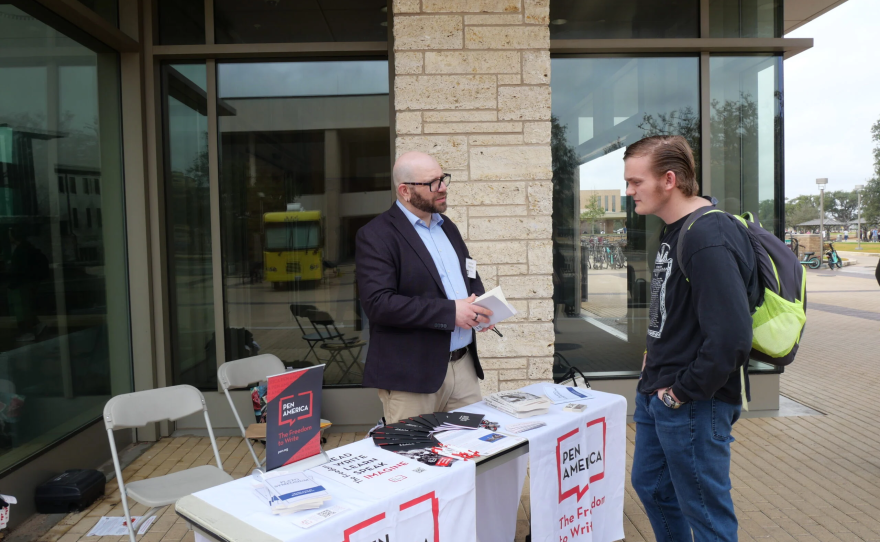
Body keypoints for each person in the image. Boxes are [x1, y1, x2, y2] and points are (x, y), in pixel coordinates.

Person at [625, 135, 758, 542]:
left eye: (635, 182)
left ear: (669, 179)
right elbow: (679, 311)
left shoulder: (707, 235)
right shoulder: (675, 228)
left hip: (692, 403)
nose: (628, 192)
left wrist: (680, 393)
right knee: (652, 486)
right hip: (659, 392)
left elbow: (732, 337)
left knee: (706, 513)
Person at [355, 151, 494, 424]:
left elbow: (468, 273)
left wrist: (479, 306)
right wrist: (451, 312)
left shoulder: (447, 227)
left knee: (475, 453)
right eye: (432, 183)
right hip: (412, 377)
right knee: (414, 459)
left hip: (463, 368)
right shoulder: (376, 235)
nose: (442, 188)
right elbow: (379, 304)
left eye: (443, 179)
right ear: (405, 191)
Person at [6, 226, 49, 342]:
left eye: (10, 233)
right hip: (29, 282)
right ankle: (36, 327)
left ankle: (28, 332)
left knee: (23, 308)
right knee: (27, 307)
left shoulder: (21, 250)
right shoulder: (27, 247)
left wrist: (11, 285)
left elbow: (19, 271)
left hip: (23, 284)